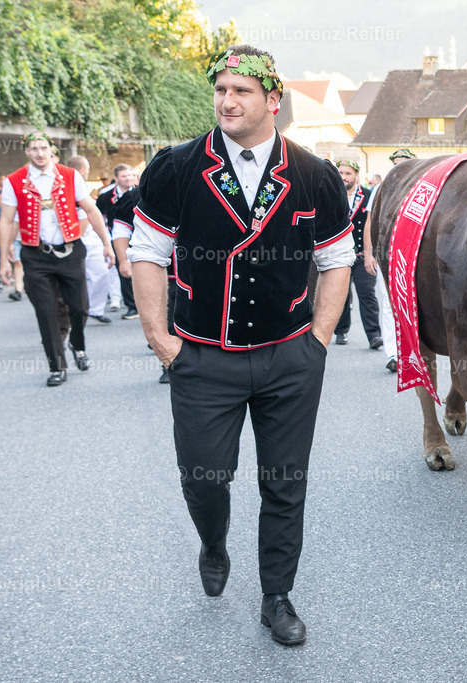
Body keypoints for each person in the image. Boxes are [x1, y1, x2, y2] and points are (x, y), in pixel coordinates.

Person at [127, 44, 352, 646]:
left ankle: (276, 596)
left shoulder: (313, 174)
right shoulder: (176, 167)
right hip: (202, 356)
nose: (227, 100)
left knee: (284, 480)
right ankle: (213, 541)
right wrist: (161, 340)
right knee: (204, 479)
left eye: (241, 91)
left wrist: (320, 341)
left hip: (290, 357)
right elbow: (146, 253)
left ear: (273, 101)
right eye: (221, 89)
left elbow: (337, 261)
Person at [0, 132, 115, 387]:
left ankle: (77, 344)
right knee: (46, 311)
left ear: (51, 150)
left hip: (71, 251)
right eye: (33, 148)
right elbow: (6, 220)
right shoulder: (14, 181)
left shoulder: (70, 175)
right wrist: (4, 260)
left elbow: (91, 209)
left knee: (80, 307)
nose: (39, 153)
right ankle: (57, 365)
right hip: (35, 255)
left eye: (43, 148)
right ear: (26, 151)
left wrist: (107, 244)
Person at [362, 148, 415, 372]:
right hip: (387, 253)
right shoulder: (382, 190)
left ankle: (413, 354)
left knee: (414, 303)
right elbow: (370, 221)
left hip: (412, 252)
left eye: (404, 163)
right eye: (396, 164)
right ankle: (393, 354)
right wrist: (368, 253)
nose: (399, 167)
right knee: (388, 303)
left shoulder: (421, 188)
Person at [333, 159, 381, 348]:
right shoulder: (331, 195)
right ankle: (341, 331)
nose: (343, 177)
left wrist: (373, 253)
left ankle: (374, 335)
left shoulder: (368, 195)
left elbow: (374, 225)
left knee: (367, 295)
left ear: (356, 176)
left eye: (348, 174)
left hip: (362, 255)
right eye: (341, 173)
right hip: (339, 255)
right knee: (341, 295)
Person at [67, 156, 112, 324]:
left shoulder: (82, 187)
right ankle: (76, 310)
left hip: (91, 237)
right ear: (82, 170)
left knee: (100, 272)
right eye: (86, 169)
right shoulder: (68, 185)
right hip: (76, 237)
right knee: (76, 278)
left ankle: (95, 309)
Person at [97, 164, 139, 320]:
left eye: (130, 175)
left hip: (139, 237)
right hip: (118, 236)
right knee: (124, 269)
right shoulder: (105, 197)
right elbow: (99, 216)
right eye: (124, 176)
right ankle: (132, 305)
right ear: (116, 178)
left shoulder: (140, 193)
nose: (128, 178)